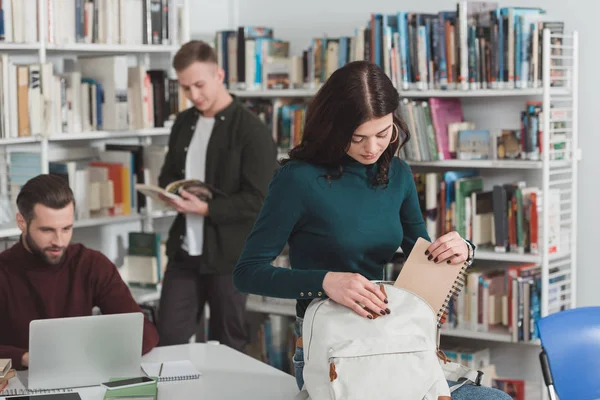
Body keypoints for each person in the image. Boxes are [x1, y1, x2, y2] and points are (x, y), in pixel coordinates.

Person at [233, 61, 511, 400]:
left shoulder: (399, 175)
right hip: (330, 348)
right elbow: (247, 273)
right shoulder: (297, 180)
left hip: (392, 339)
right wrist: (325, 281)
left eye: (383, 133)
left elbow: (421, 261)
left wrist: (462, 249)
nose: (372, 148)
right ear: (334, 129)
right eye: (357, 138)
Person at [156, 40, 277, 352]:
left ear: (219, 74)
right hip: (184, 251)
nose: (194, 96)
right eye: (185, 88)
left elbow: (261, 200)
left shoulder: (251, 130)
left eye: (199, 84)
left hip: (230, 257)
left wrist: (207, 209)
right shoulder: (183, 122)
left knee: (229, 343)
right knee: (167, 338)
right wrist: (172, 193)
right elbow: (168, 175)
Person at [0, 174, 159, 370]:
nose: (59, 241)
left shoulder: (91, 264)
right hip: (18, 382)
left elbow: (143, 333)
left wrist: (93, 352)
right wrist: (24, 357)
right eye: (47, 230)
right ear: (22, 223)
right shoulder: (4, 271)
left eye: (66, 228)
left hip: (81, 377)